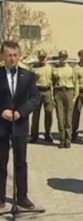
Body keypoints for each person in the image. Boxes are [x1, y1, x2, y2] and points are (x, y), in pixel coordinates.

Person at [0, 41, 40, 209]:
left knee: (21, 162)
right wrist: (2, 110)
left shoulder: (27, 76)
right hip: (2, 125)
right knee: (1, 161)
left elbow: (35, 98)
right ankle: (1, 197)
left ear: (19, 55)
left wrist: (21, 112)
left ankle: (22, 196)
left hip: (20, 124)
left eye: (15, 55)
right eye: (9, 55)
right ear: (2, 56)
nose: (12, 59)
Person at [52, 50, 78, 148]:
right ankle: (62, 139)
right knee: (60, 116)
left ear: (67, 57)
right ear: (59, 57)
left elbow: (76, 83)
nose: (63, 58)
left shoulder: (71, 69)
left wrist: (75, 95)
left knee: (68, 117)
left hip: (69, 92)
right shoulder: (55, 69)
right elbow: (52, 83)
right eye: (61, 56)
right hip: (58, 92)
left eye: (64, 56)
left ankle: (68, 139)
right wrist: (52, 95)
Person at [29, 50, 54, 143]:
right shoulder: (34, 69)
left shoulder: (51, 68)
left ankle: (47, 133)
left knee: (49, 112)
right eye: (40, 57)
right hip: (37, 92)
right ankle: (34, 135)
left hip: (47, 91)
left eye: (43, 57)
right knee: (36, 115)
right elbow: (30, 82)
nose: (42, 59)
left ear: (46, 57)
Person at [71, 49, 83, 145]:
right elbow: (75, 82)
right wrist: (75, 95)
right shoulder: (76, 68)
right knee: (76, 114)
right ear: (80, 56)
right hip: (79, 92)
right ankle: (73, 132)